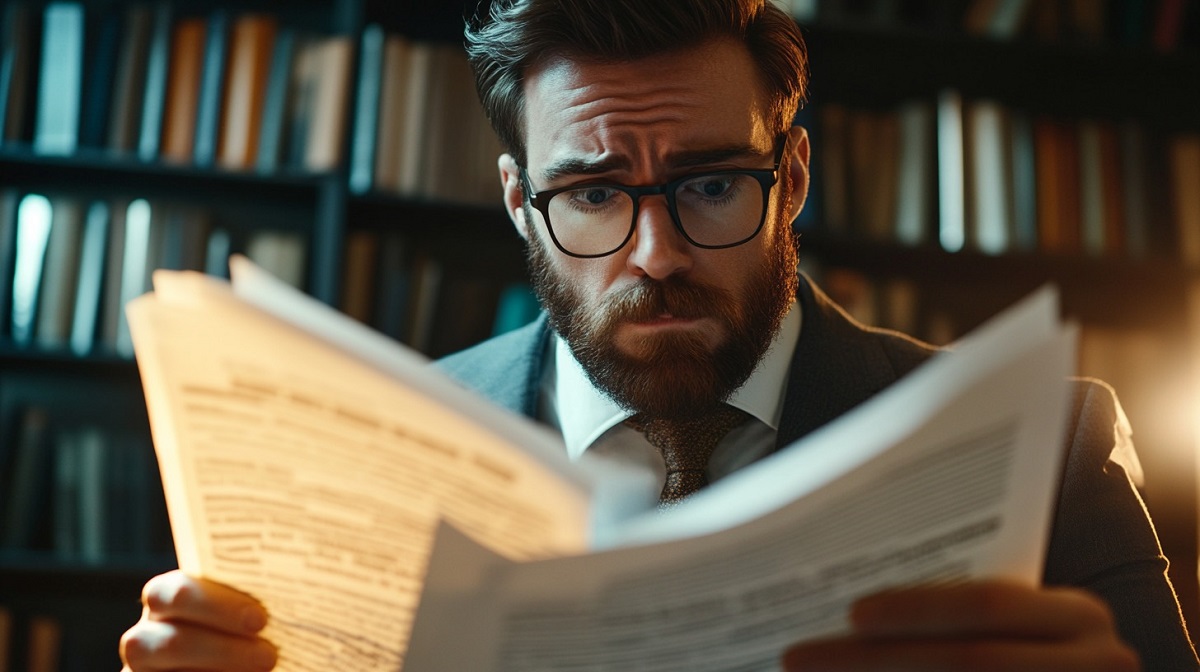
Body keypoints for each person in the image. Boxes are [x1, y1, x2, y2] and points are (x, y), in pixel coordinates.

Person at [119, 1, 1197, 670]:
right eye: (591, 194)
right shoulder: (367, 457)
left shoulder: (1044, 445)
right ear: (516, 202)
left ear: (797, 178)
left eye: (712, 183)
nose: (655, 257)